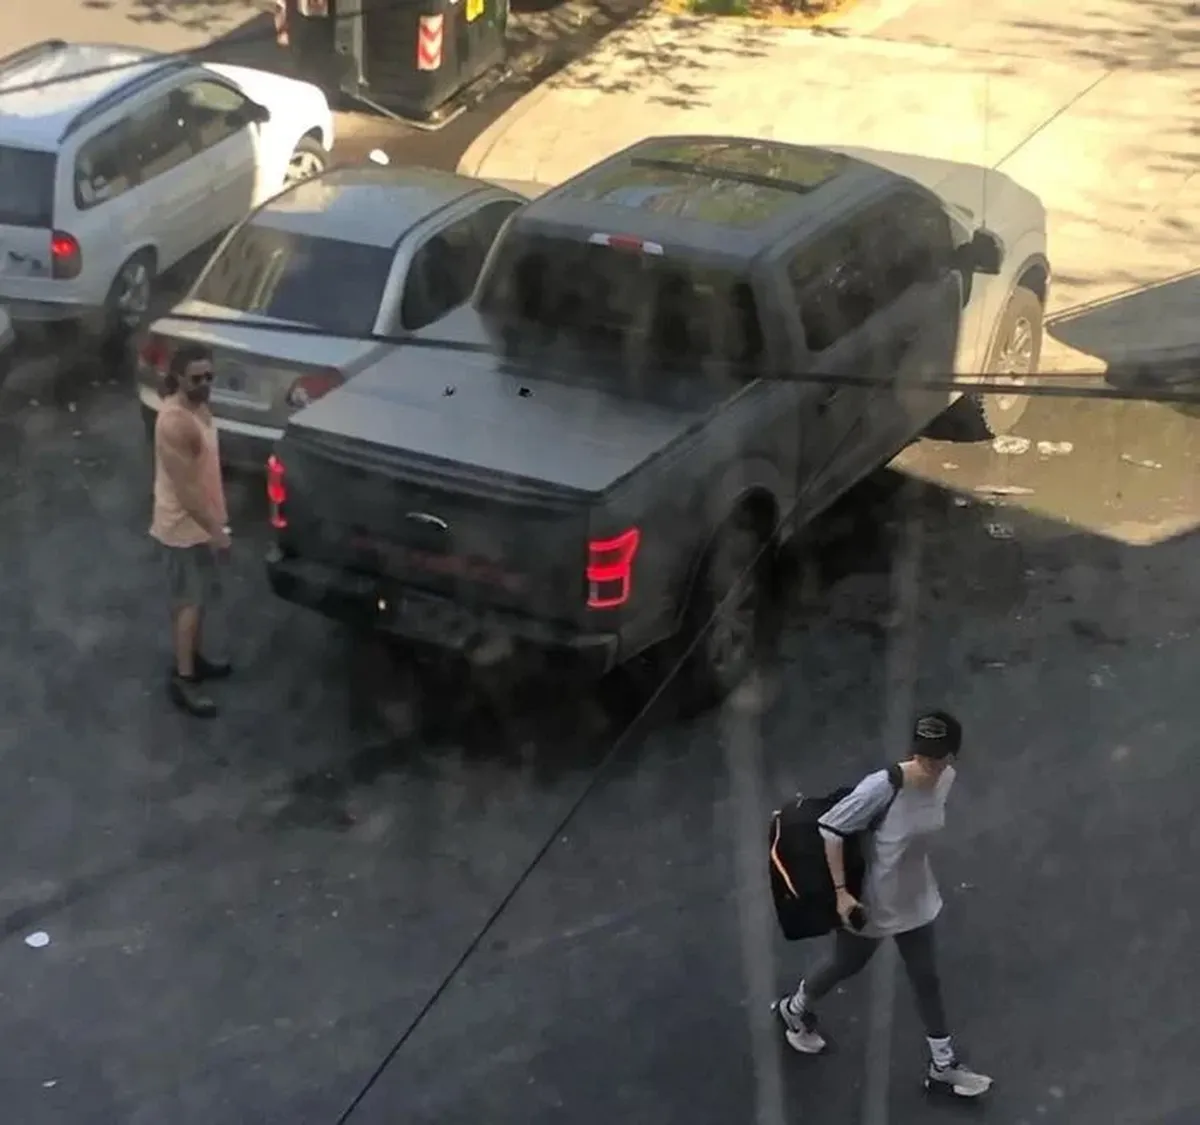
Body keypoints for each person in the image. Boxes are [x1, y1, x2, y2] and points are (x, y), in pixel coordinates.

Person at [773, 710, 992, 1098]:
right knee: (847, 963)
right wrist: (841, 893)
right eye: (922, 755)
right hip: (871, 901)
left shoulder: (946, 781)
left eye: (937, 758)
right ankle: (795, 1008)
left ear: (951, 759)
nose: (928, 765)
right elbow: (830, 828)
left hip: (914, 895)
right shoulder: (883, 786)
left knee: (926, 977)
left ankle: (942, 1064)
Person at [149, 343, 232, 718]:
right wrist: (216, 530)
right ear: (178, 378)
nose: (204, 384)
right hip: (183, 527)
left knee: (198, 602)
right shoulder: (174, 422)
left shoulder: (199, 407)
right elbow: (185, 490)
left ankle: (195, 661)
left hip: (200, 524)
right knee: (189, 605)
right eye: (196, 378)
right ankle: (184, 679)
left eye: (209, 377)